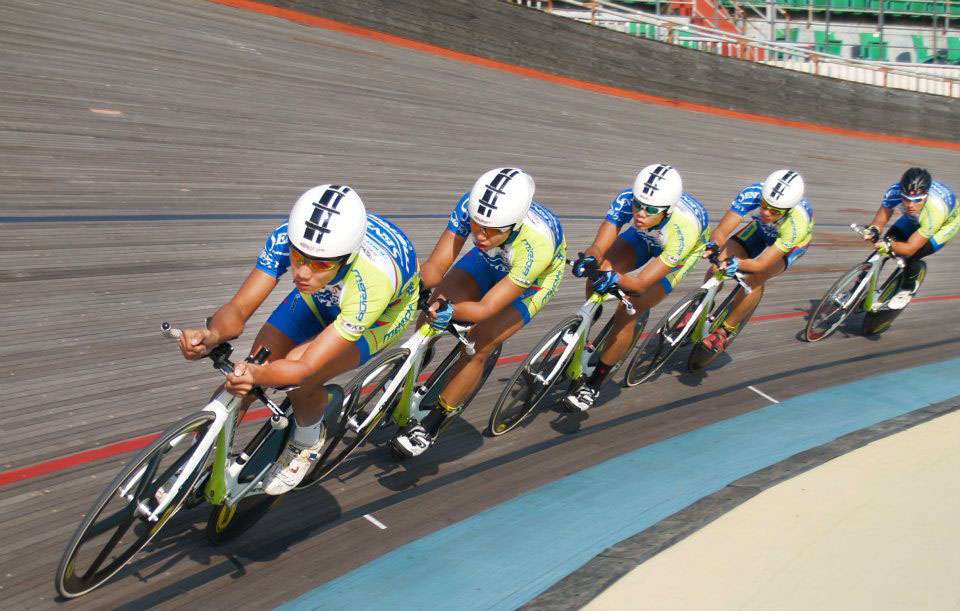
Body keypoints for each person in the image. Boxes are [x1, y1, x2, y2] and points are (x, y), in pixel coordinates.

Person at [177, 185, 419, 494]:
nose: (302, 272)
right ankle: (199, 453)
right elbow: (239, 308)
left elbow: (304, 366)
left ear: (347, 258)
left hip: (380, 317)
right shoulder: (290, 239)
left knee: (298, 378)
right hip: (323, 295)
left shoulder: (372, 283)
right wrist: (212, 335)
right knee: (254, 366)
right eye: (298, 258)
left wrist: (257, 375)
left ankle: (307, 440)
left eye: (319, 264)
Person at [391, 168, 566, 457]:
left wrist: (452, 310)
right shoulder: (473, 207)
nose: (481, 235)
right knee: (431, 309)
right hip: (490, 259)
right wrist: (421, 289)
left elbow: (487, 309)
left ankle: (435, 421)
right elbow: (437, 264)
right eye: (477, 226)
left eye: (493, 230)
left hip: (531, 280)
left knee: (479, 342)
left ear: (515, 224)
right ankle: (417, 360)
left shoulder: (536, 246)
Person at [564, 164, 709, 411]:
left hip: (675, 250)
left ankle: (595, 384)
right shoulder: (627, 199)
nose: (640, 213)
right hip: (642, 238)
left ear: (667, 210)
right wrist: (591, 259)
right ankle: (592, 318)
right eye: (637, 205)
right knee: (600, 270)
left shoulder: (684, 230)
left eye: (650, 209)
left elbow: (642, 283)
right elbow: (599, 246)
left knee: (630, 308)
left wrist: (616, 280)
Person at [698, 169, 813, 352]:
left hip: (789, 245)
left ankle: (725, 331)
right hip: (760, 230)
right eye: (764, 205)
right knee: (717, 265)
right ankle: (700, 306)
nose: (767, 212)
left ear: (788, 209)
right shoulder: (753, 192)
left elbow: (762, 264)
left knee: (754, 278)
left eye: (775, 211)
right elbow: (722, 230)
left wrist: (738, 264)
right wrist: (714, 245)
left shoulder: (797, 224)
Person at [861, 167, 958, 309]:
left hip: (944, 225)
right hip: (915, 217)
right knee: (881, 250)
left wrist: (890, 245)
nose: (910, 205)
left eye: (917, 200)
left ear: (926, 196)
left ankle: (908, 288)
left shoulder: (935, 211)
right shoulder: (894, 191)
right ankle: (854, 292)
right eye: (906, 199)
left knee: (910, 255)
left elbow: (909, 248)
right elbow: (881, 218)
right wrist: (874, 229)